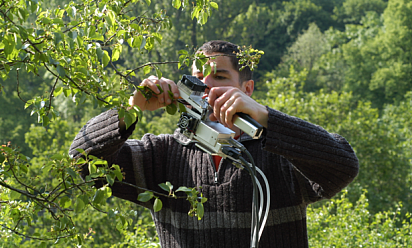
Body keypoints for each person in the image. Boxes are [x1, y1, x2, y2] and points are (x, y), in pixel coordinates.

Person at [69, 40, 359, 247]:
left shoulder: (281, 153)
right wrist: (131, 108)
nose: (206, 89)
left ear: (246, 89)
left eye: (219, 77)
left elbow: (343, 165)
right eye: (197, 80)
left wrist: (266, 117)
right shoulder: (164, 155)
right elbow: (83, 161)